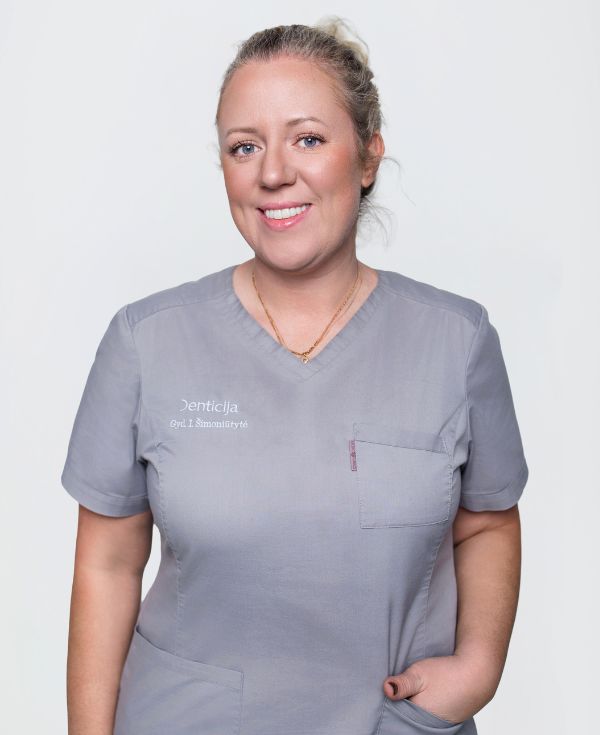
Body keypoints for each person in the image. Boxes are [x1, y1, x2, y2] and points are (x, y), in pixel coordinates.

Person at [60, 18, 529, 735]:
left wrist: (479, 667)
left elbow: (488, 521)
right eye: (244, 146)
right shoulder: (146, 341)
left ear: (367, 157)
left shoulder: (457, 341)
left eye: (307, 139)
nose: (273, 172)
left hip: (390, 721)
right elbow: (107, 566)